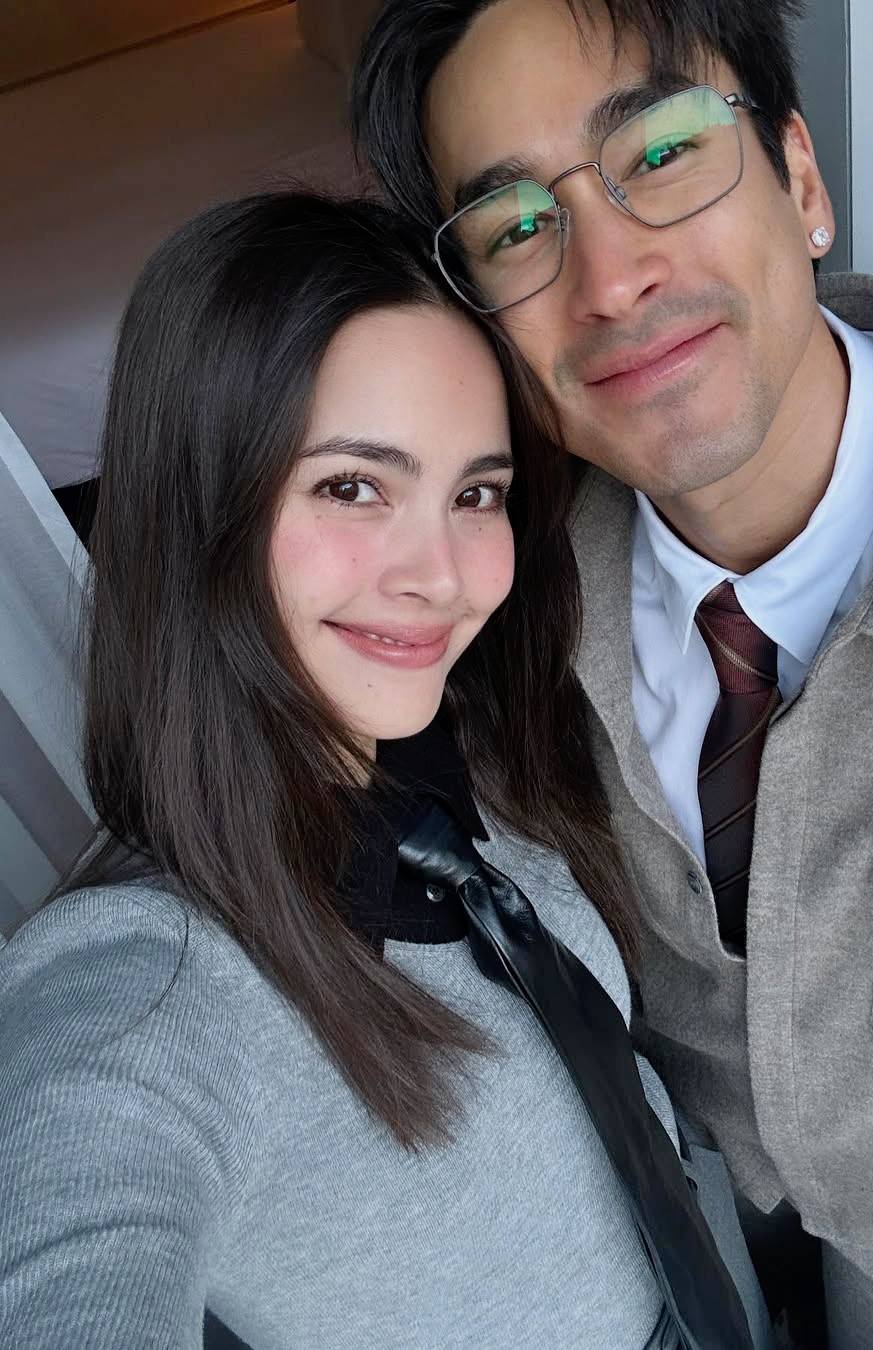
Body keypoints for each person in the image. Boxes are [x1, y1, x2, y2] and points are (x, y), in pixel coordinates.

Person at [352, 2, 873, 1347]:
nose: (610, 277)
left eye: (663, 152)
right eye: (517, 227)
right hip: (696, 1242)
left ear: (802, 180)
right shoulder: (495, 583)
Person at [0, 193, 770, 1350]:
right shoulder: (137, 990)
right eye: (352, 486)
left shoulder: (483, 749)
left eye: (476, 494)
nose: (442, 577)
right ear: (198, 507)